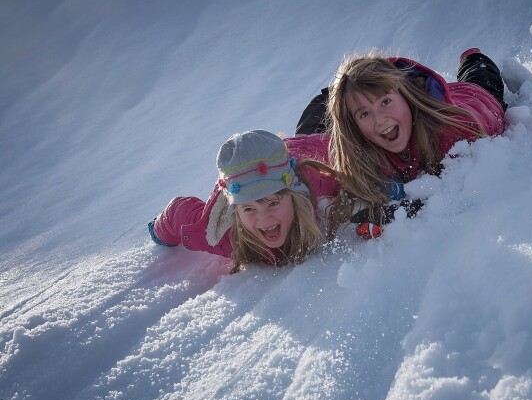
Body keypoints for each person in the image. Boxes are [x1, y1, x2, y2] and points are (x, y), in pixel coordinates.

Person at [298, 49, 507, 238]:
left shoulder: (453, 132)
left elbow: (455, 191)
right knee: (317, 121)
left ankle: (472, 57)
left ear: (406, 97)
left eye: (385, 102)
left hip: (475, 96)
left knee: (480, 76)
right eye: (364, 113)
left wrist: (406, 209)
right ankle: (343, 94)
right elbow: (309, 150)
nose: (380, 119)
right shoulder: (361, 144)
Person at [149, 130, 340, 272]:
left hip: (309, 148)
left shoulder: (317, 185)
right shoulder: (220, 233)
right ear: (235, 212)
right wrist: (159, 232)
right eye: (249, 208)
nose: (264, 219)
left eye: (273, 203)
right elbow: (177, 212)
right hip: (249, 175)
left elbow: (346, 151)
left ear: (293, 196)